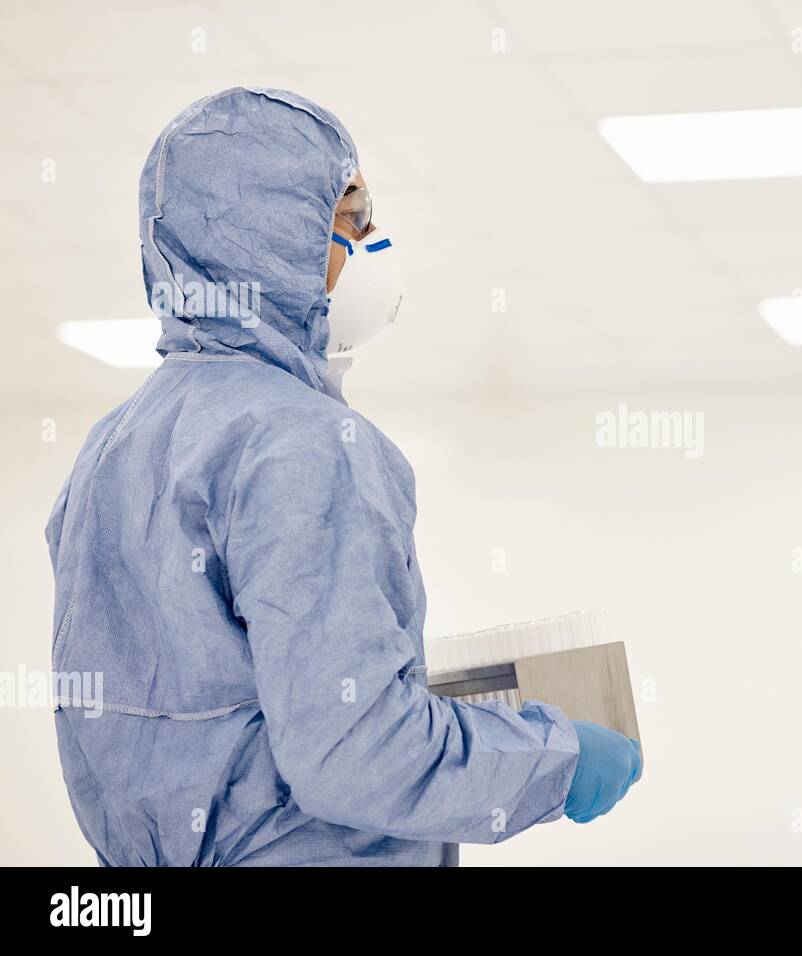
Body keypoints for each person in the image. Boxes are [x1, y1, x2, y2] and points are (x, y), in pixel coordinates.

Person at [44, 87, 641, 866]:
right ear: (267, 238)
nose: (373, 244)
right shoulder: (307, 444)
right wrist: (554, 760)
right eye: (349, 219)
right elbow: (355, 752)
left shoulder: (110, 448)